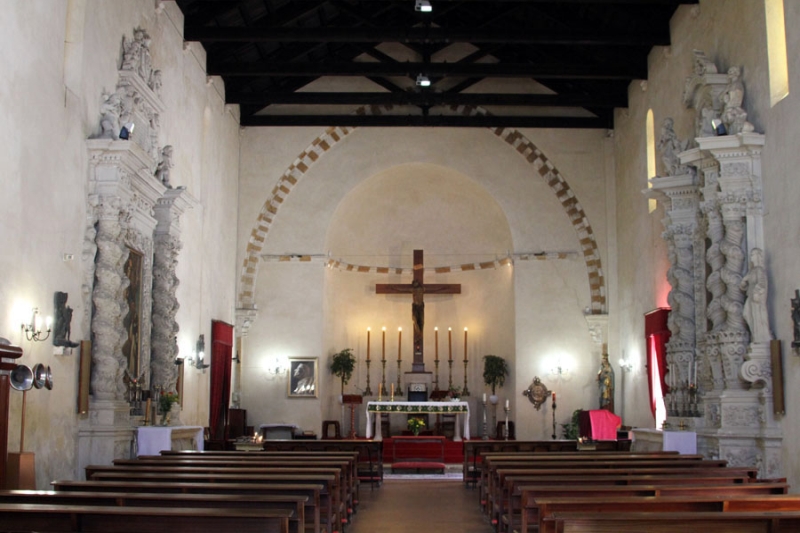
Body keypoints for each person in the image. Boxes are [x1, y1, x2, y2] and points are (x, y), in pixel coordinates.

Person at [740, 248, 771, 342]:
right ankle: (755, 334)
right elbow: (744, 287)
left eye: (753, 255)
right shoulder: (752, 271)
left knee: (758, 315)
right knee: (746, 314)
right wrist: (743, 282)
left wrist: (757, 292)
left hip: (756, 298)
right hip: (750, 296)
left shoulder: (759, 270)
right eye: (751, 255)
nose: (751, 257)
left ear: (758, 256)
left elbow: (761, 283)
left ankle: (761, 337)